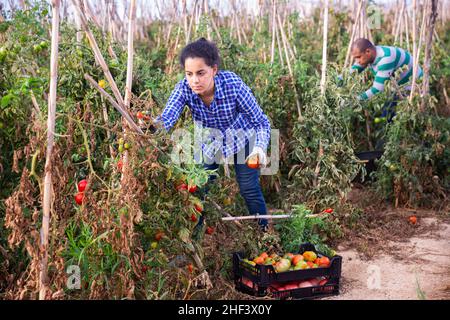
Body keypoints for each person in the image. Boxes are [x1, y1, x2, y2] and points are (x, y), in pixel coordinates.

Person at [152, 38, 271, 233]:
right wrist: (152, 126)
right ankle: (196, 237)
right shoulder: (184, 88)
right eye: (189, 74)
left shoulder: (233, 85)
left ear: (214, 70)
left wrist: (259, 148)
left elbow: (261, 121)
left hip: (242, 137)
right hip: (209, 141)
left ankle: (263, 234)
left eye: (201, 73)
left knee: (249, 187)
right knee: (199, 190)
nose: (195, 80)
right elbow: (167, 118)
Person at [347, 38, 423, 122]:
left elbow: (377, 89)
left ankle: (388, 123)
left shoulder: (385, 59)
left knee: (400, 116)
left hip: (413, 85)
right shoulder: (372, 53)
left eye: (358, 57)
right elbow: (353, 70)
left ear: (368, 52)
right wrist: (338, 80)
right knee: (387, 112)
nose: (357, 61)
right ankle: (385, 121)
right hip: (399, 83)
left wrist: (353, 101)